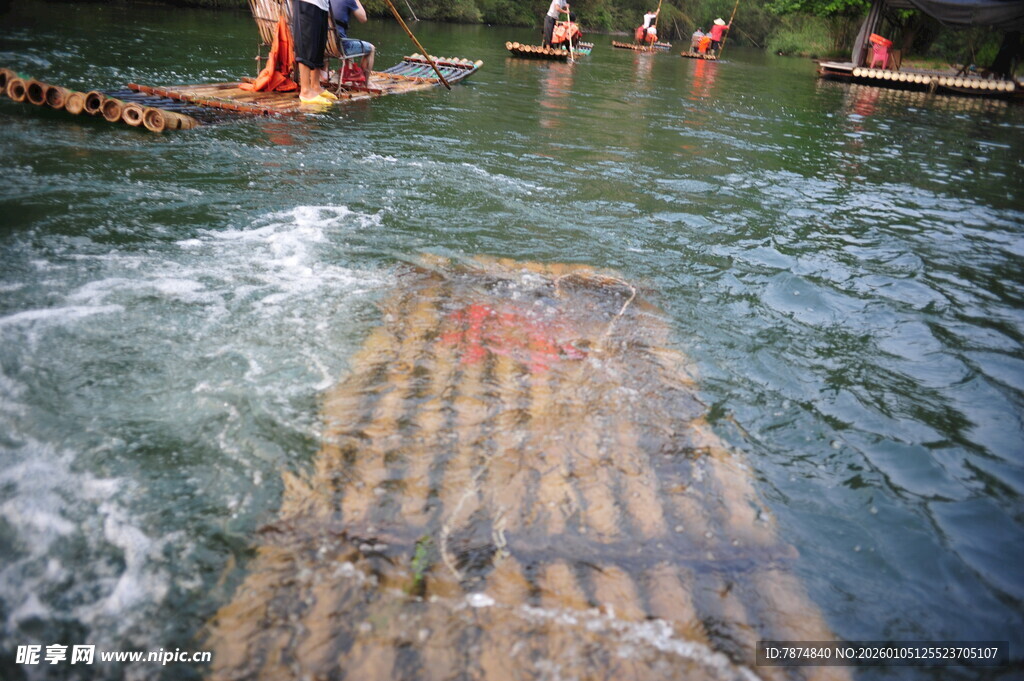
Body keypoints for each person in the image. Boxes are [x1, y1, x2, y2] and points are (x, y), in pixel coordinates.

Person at [292, 0, 337, 104]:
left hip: (322, 5)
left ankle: (315, 86)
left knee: (318, 45)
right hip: (307, 3)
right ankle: (305, 91)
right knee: (306, 43)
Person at [329, 0, 375, 85]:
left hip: (323, 46)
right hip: (339, 47)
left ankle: (346, 74)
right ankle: (365, 83)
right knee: (371, 48)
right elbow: (363, 19)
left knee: (347, 41)